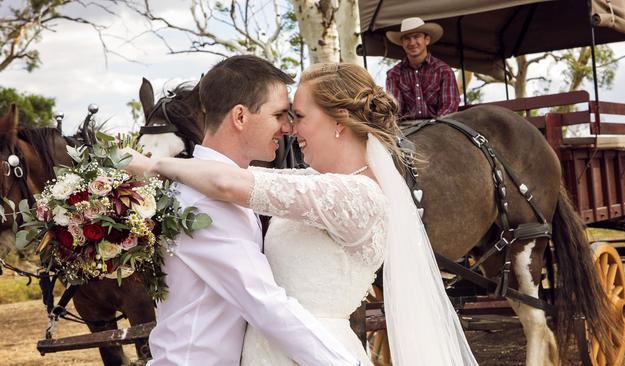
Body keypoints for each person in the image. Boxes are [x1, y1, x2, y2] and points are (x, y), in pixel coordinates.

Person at [130, 63, 478, 365]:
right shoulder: (310, 183)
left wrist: (155, 164)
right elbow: (234, 178)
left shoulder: (356, 196)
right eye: (284, 116)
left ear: (339, 121)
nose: (290, 130)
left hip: (316, 351)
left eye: (297, 116)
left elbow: (228, 183)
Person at [128, 55, 361, 365]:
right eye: (278, 114)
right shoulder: (205, 203)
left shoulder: (219, 184)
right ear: (240, 117)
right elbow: (264, 304)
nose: (287, 127)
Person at [385, 17, 460, 121]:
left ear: (427, 40)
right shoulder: (394, 74)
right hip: (408, 130)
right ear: (402, 43)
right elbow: (395, 111)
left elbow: (449, 107)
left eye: (416, 37)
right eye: (407, 38)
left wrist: (434, 128)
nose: (412, 43)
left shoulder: (443, 71)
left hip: (440, 127)